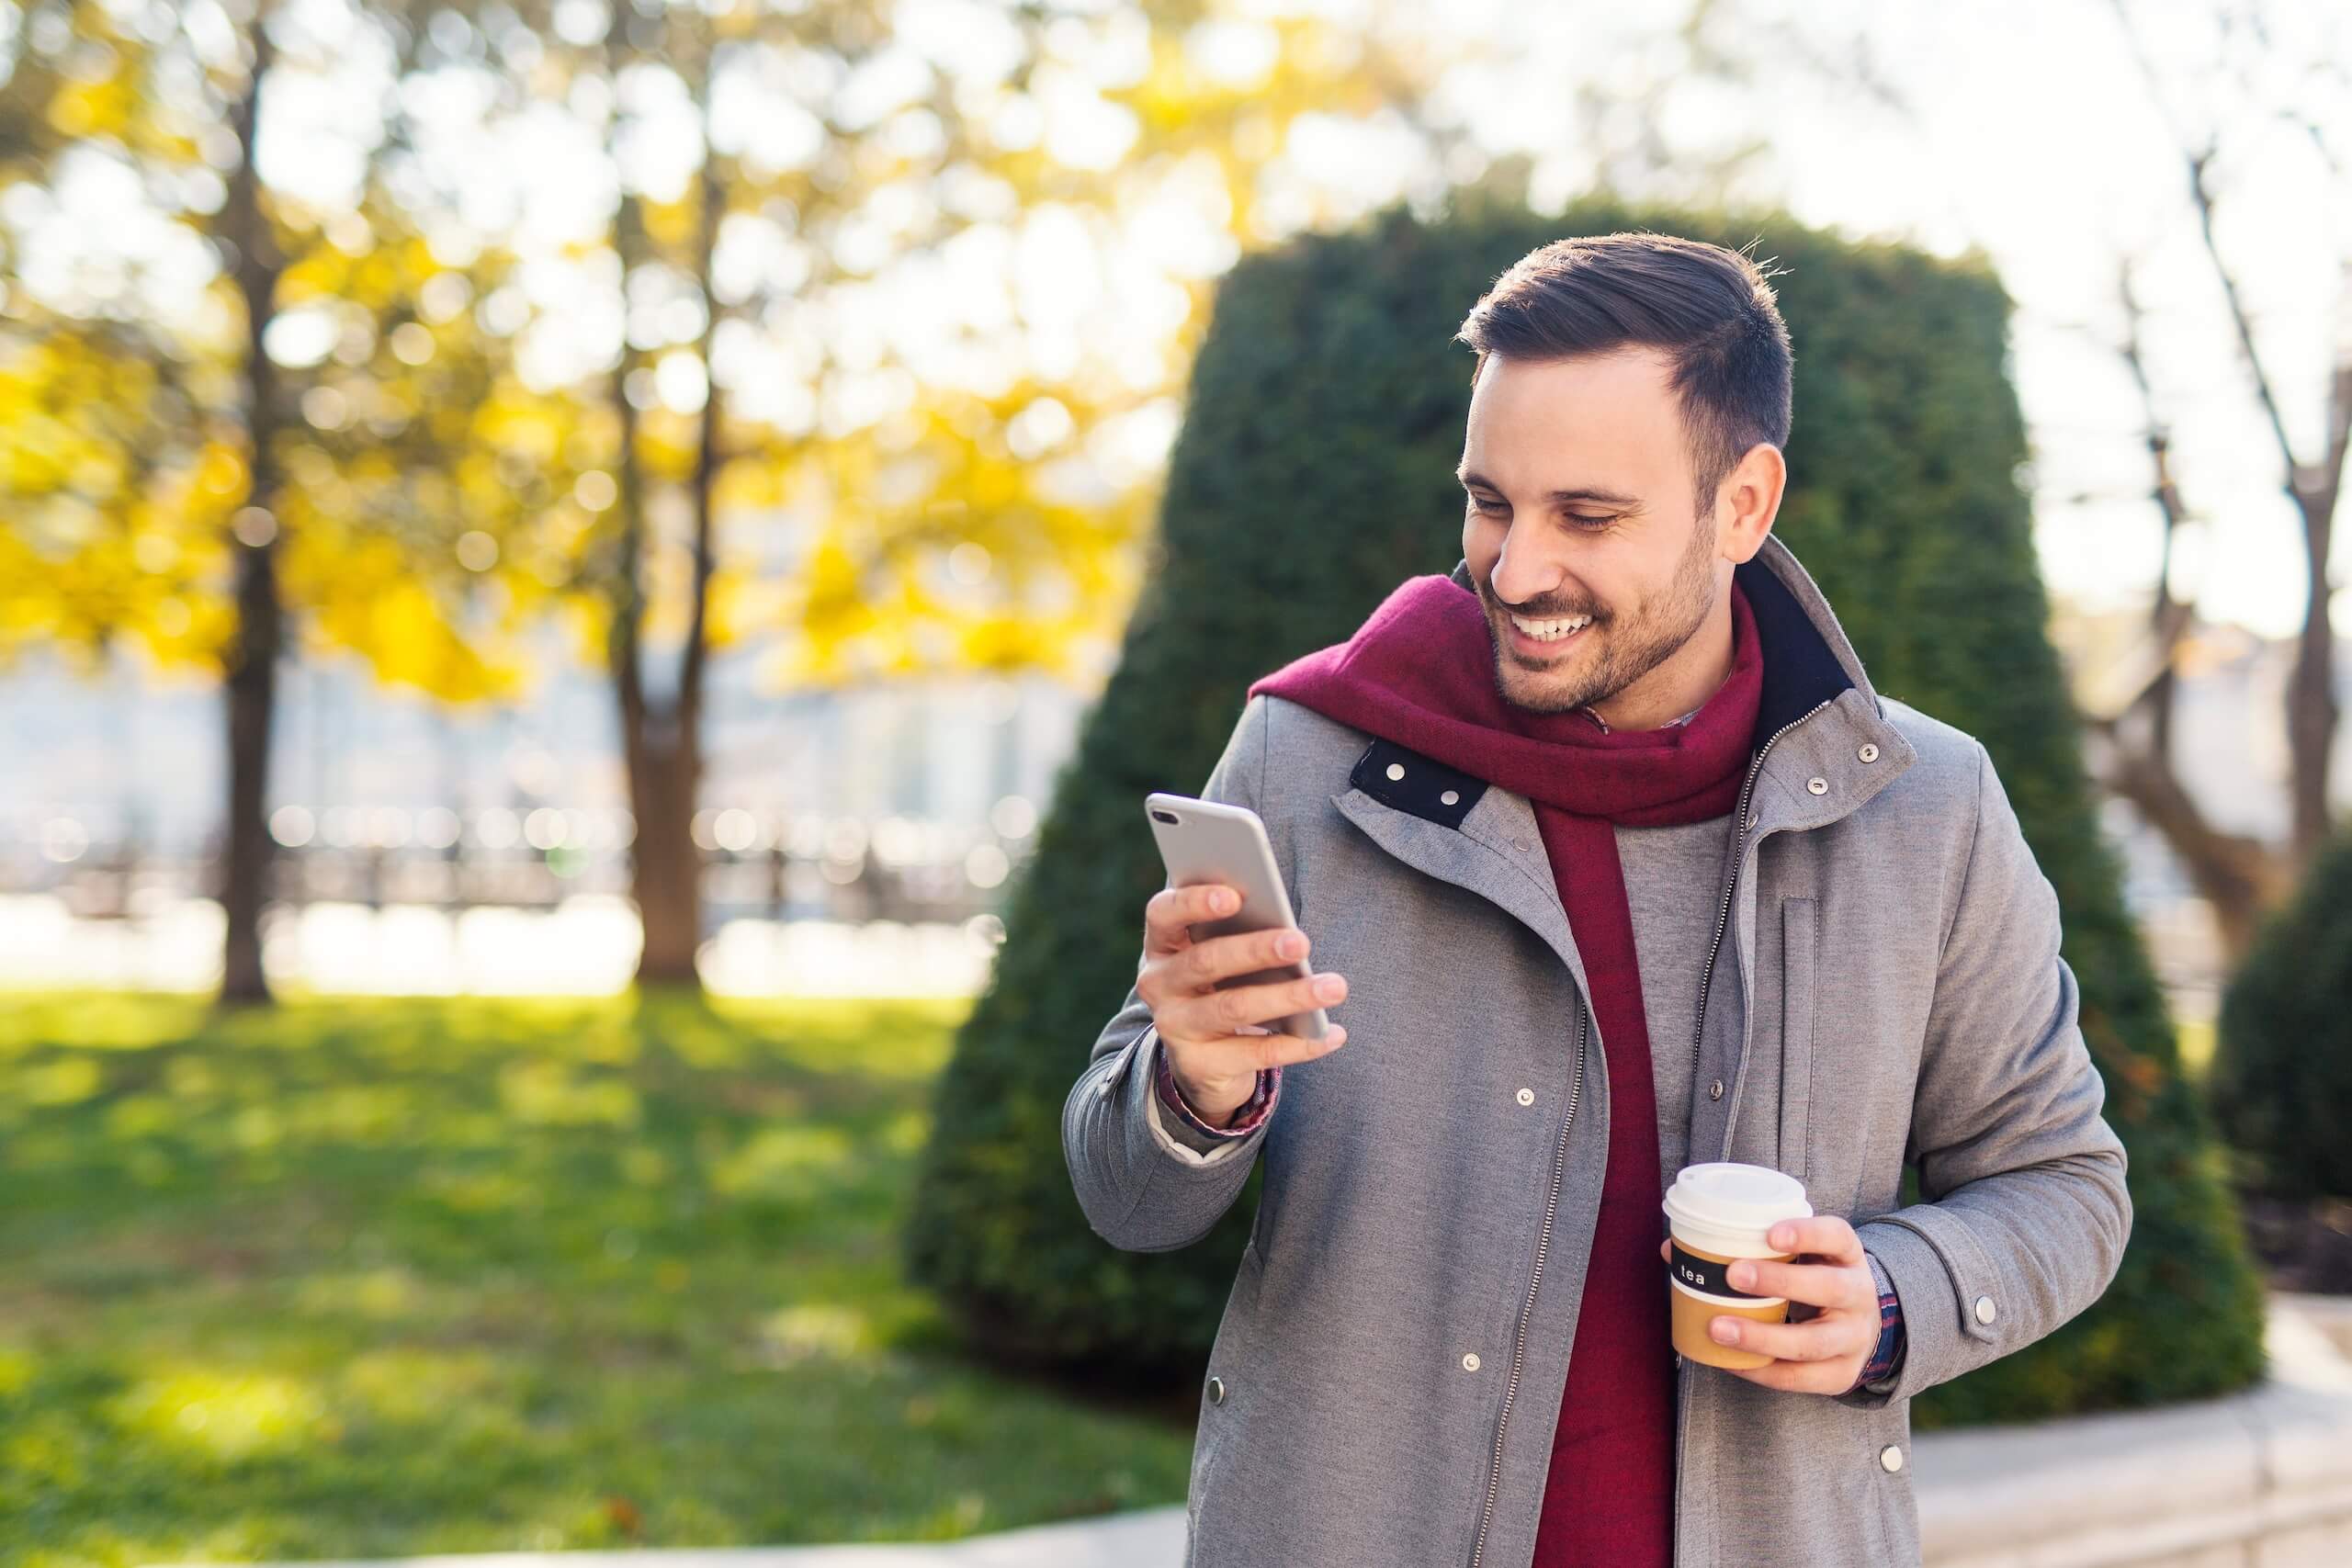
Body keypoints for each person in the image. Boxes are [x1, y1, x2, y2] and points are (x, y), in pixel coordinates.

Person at [1061, 231, 2131, 1568]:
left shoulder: (1927, 811)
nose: (1513, 572)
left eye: (1589, 516)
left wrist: (1897, 1298)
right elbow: (1125, 1196)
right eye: (1490, 501)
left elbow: (2065, 1187)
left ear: (1742, 505)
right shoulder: (1307, 752)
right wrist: (1193, 1088)